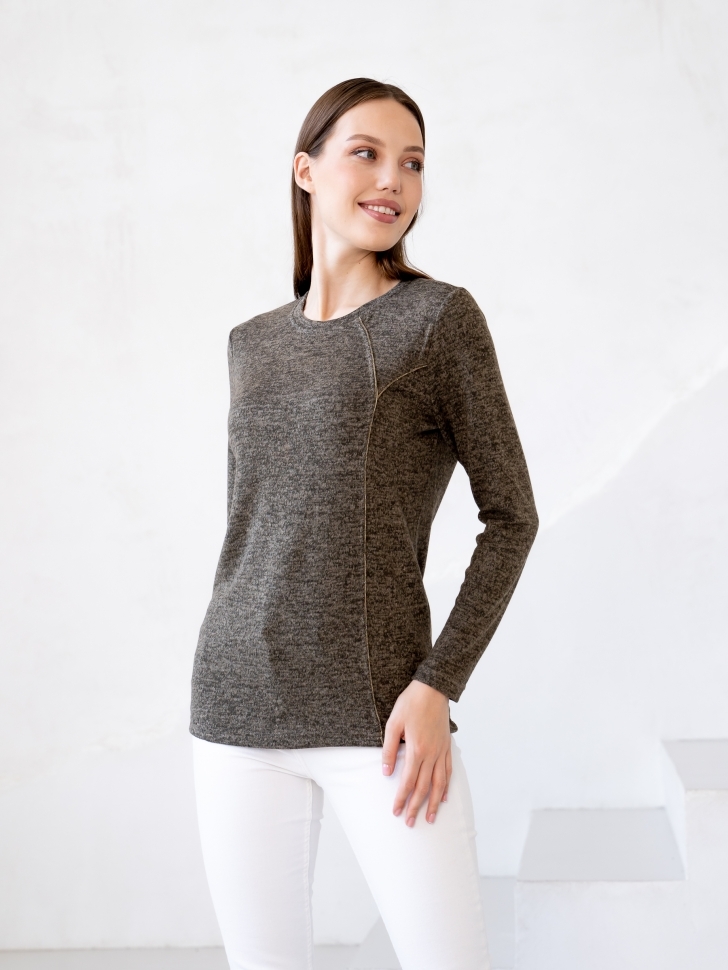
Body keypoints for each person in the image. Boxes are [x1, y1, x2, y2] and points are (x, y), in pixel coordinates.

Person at [189, 77, 539, 970]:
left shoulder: (439, 322)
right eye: (367, 154)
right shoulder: (250, 343)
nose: (393, 180)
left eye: (412, 163)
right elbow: (254, 526)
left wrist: (437, 685)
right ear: (305, 171)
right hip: (236, 704)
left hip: (384, 722)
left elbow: (511, 515)